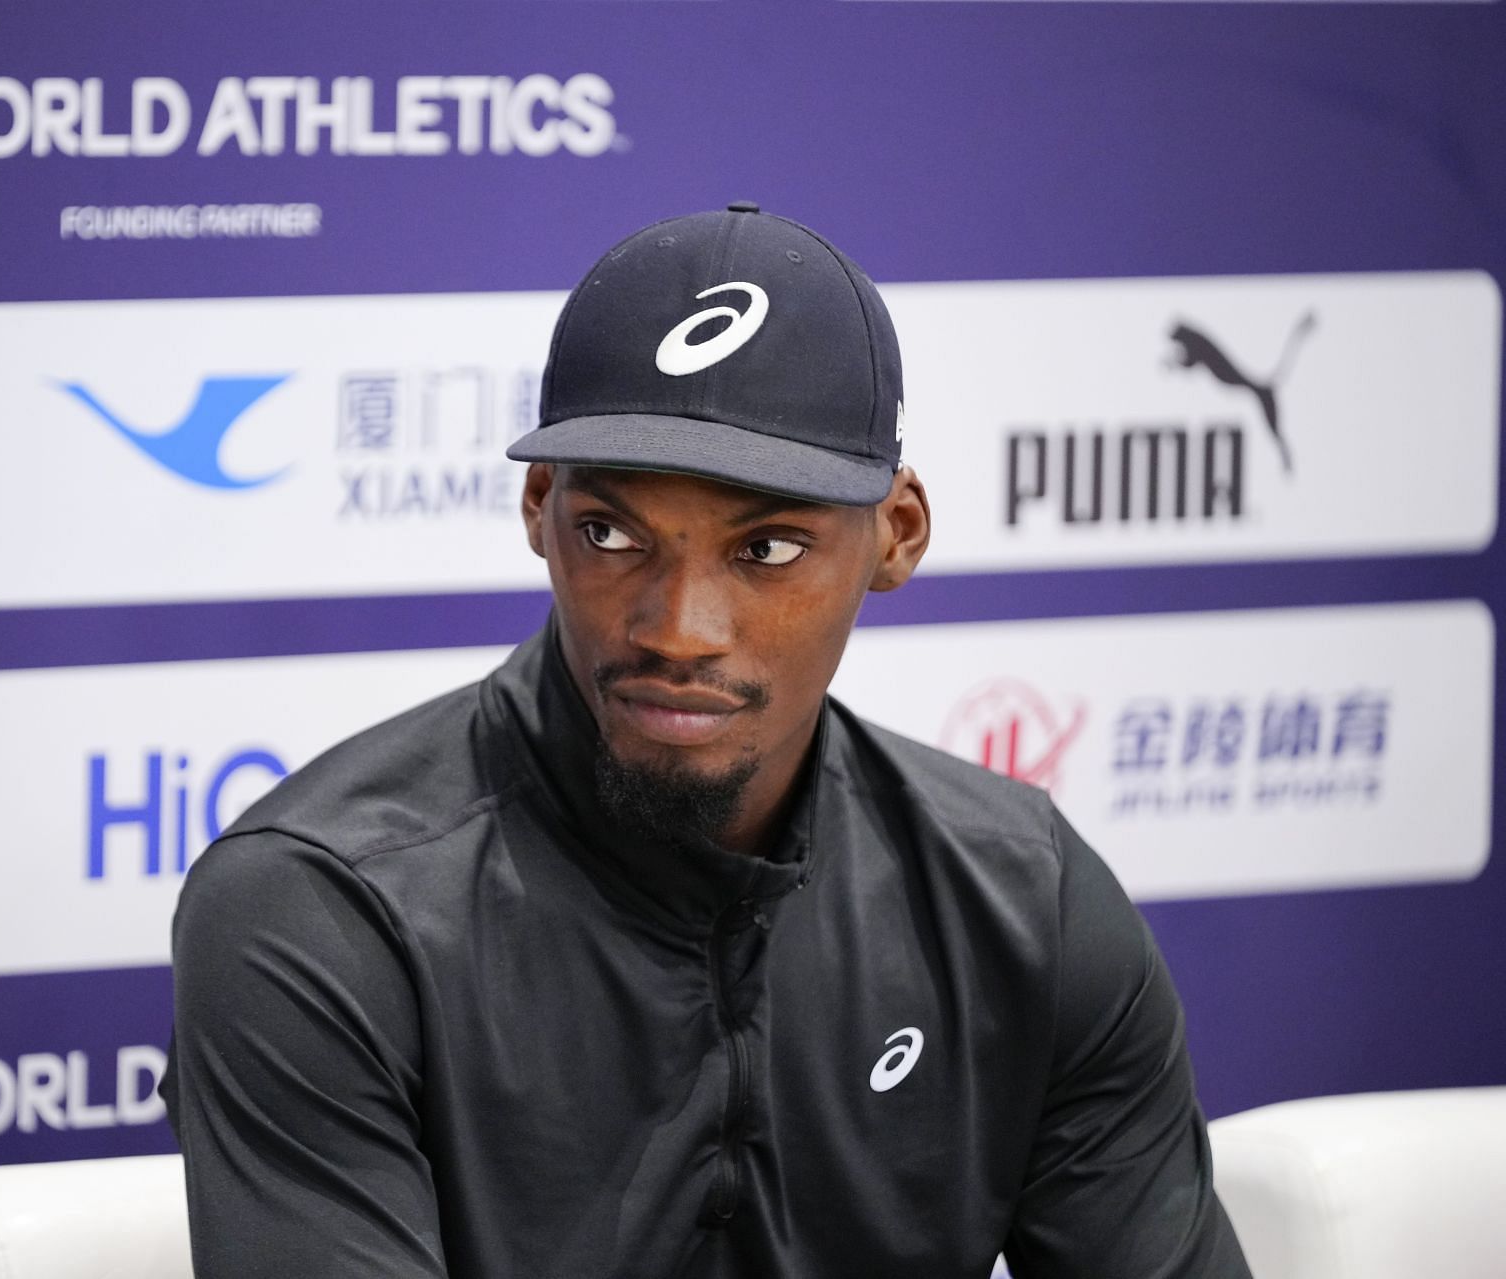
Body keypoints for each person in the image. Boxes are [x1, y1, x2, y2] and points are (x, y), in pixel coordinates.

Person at [160, 203, 1252, 1278]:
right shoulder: (326, 910)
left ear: (897, 536)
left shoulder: (1024, 901)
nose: (679, 628)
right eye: (611, 533)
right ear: (538, 508)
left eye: (767, 547)